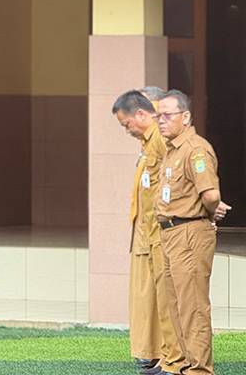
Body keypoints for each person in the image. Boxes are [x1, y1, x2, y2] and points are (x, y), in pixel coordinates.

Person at [155, 89, 230, 375]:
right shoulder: (172, 149)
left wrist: (210, 212)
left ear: (185, 117)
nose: (161, 121)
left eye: (167, 115)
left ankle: (199, 370)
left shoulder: (195, 149)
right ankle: (185, 364)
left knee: (193, 307)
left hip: (189, 232)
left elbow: (210, 194)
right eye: (158, 116)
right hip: (170, 232)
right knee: (176, 305)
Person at [112, 89, 187, 375]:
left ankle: (176, 361)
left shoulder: (162, 141)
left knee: (169, 301)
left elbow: (177, 183)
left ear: (143, 112)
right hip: (149, 231)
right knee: (154, 299)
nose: (127, 130)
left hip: (165, 233)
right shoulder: (148, 143)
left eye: (127, 123)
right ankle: (163, 358)